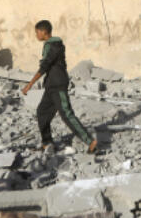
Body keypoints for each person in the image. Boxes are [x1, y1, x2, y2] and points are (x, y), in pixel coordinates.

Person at [22, 20, 97, 153]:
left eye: (37, 32)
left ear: (44, 32)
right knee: (42, 112)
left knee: (66, 114)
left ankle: (90, 141)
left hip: (58, 85)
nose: (36, 35)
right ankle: (47, 143)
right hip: (51, 85)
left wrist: (29, 85)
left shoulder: (54, 45)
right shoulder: (49, 45)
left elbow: (44, 66)